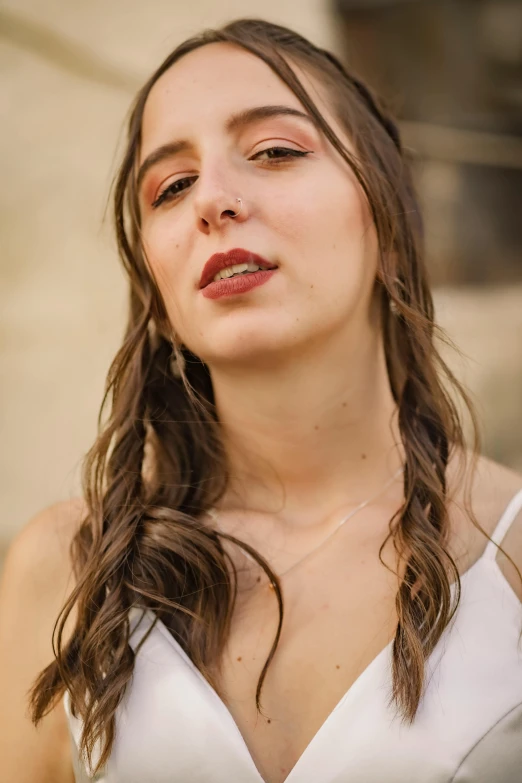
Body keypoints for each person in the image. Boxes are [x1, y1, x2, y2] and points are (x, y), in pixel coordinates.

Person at [1, 17, 521, 783]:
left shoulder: (510, 551)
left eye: (276, 151)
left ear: (384, 214)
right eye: (171, 187)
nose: (212, 199)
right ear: (156, 283)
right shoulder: (65, 570)